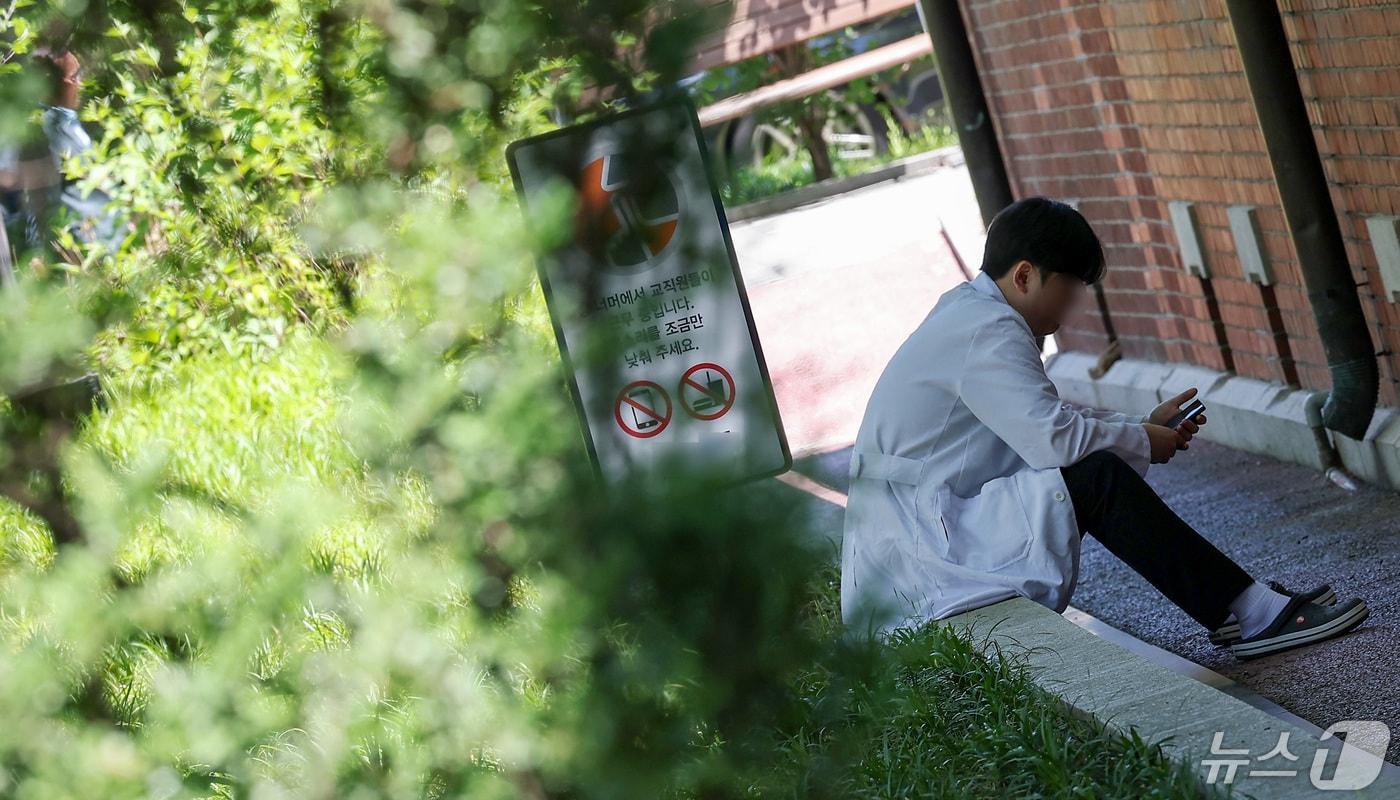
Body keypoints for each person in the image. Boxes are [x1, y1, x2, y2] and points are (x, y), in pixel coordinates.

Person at [840, 196, 1369, 661]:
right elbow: (1054, 440)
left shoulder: (971, 314)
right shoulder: (989, 328)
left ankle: (1241, 605)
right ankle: (1249, 611)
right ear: (1024, 275)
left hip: (924, 531)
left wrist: (1139, 427)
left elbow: (1044, 423)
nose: (1071, 311)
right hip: (922, 553)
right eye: (1068, 291)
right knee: (1097, 479)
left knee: (1094, 474)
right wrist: (1143, 440)